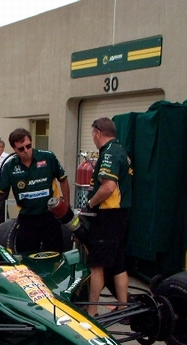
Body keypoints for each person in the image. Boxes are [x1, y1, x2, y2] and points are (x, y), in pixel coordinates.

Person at [0, 128, 70, 253]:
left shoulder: (48, 157)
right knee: (27, 257)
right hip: (27, 218)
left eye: (28, 146)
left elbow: (63, 180)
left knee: (55, 255)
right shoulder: (9, 166)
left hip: (50, 217)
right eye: (21, 149)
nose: (26, 151)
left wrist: (66, 205)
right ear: (14, 149)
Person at [84, 117, 133, 317]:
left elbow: (108, 187)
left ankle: (91, 310)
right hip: (122, 214)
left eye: (92, 134)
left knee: (97, 265)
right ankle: (123, 308)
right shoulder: (121, 150)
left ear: (97, 132)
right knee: (119, 263)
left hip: (107, 215)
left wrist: (90, 203)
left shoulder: (109, 153)